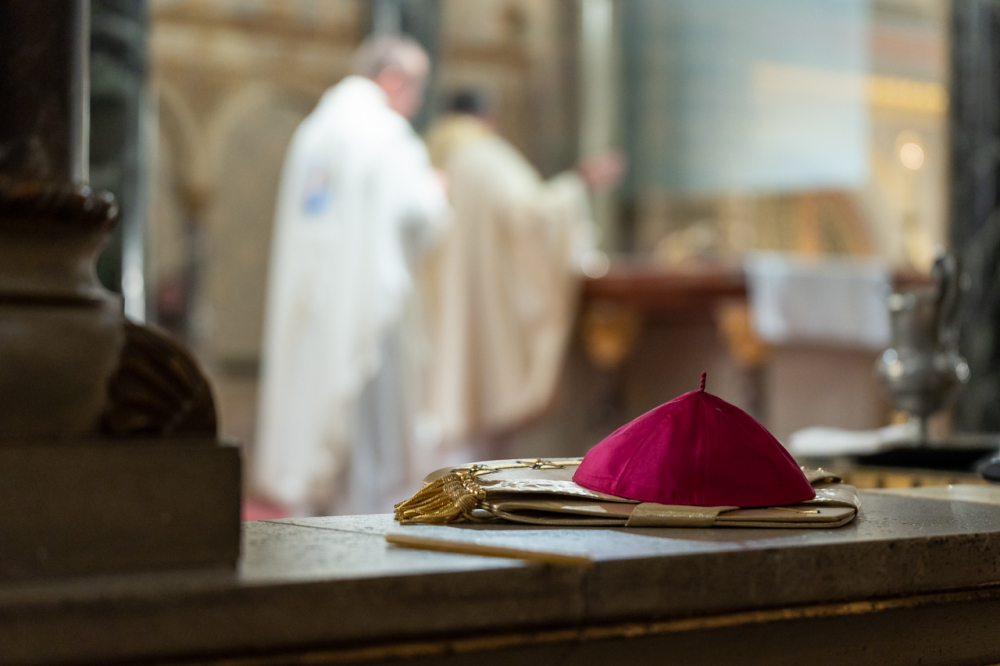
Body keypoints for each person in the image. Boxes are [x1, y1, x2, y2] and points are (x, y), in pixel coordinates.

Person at [254, 35, 448, 516]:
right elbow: (416, 214)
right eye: (417, 86)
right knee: (371, 437)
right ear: (393, 79)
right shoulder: (386, 132)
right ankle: (366, 517)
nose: (419, 100)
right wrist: (436, 190)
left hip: (317, 297)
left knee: (317, 399)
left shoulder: (316, 130)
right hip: (366, 302)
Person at [422, 88, 624, 456]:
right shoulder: (485, 157)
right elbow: (532, 215)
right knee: (486, 433)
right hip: (484, 303)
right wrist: (578, 182)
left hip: (440, 302)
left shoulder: (431, 155)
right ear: (488, 117)